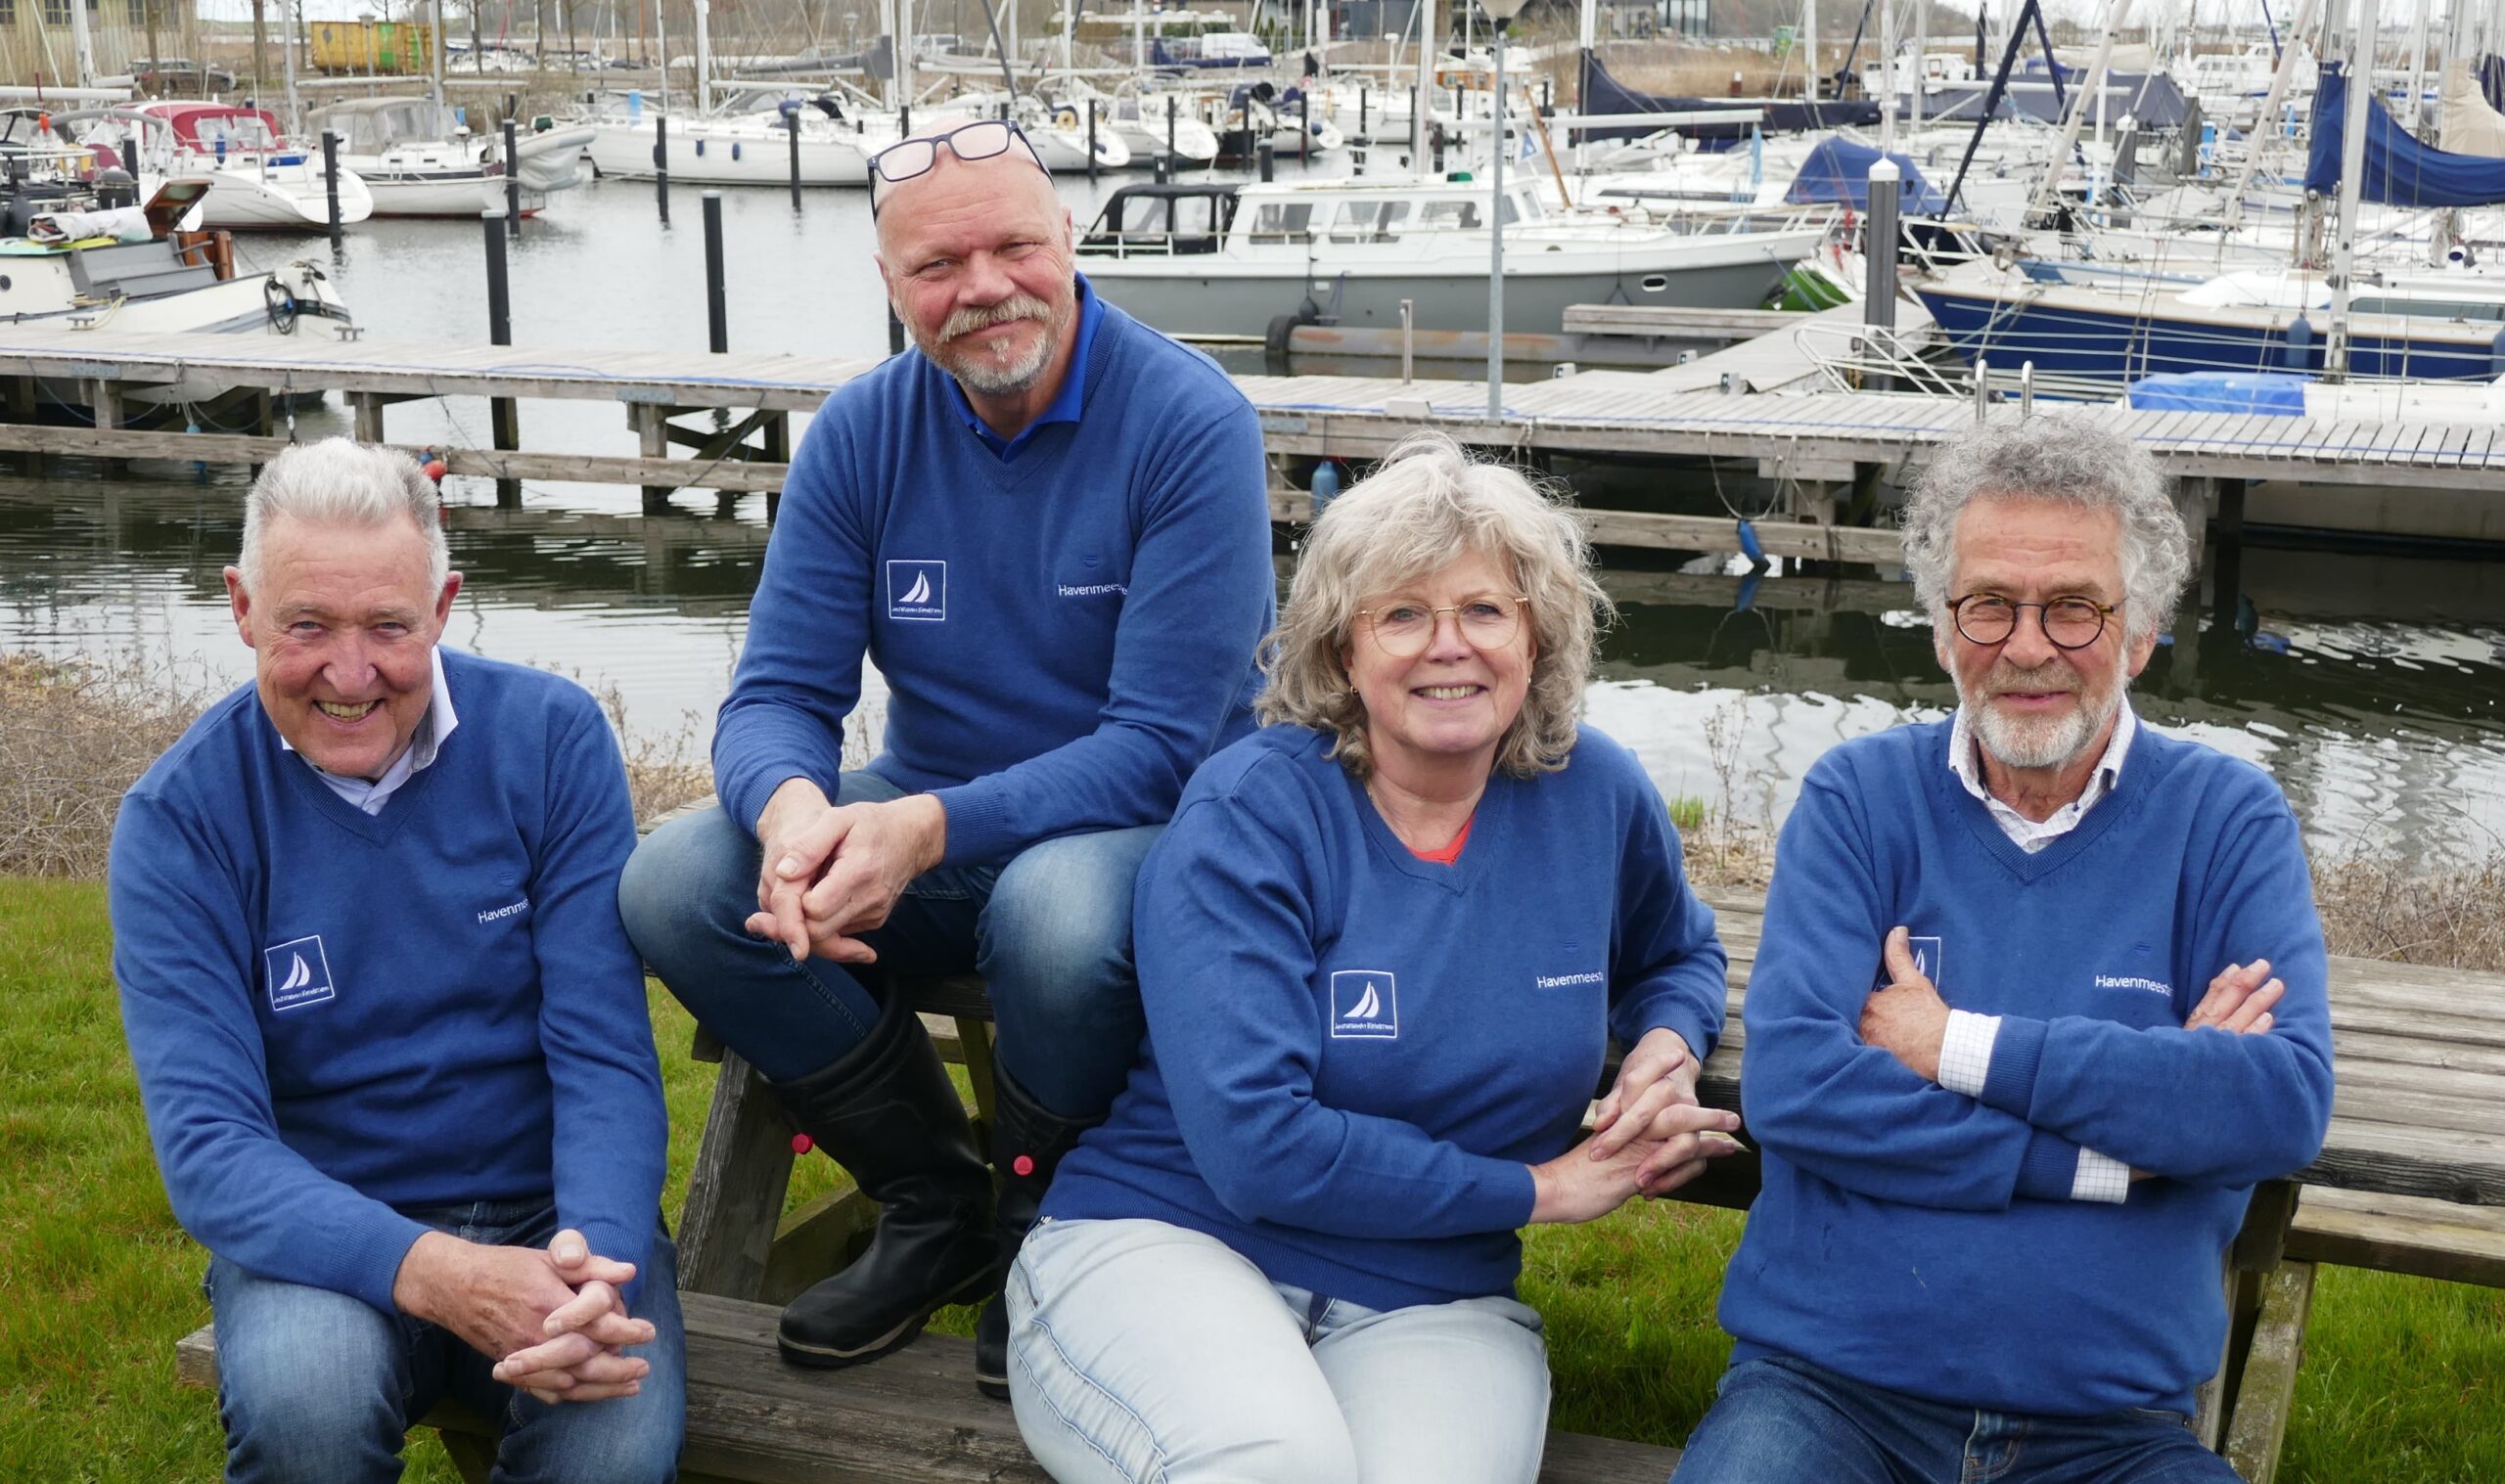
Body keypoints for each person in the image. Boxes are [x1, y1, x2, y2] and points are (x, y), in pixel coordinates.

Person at [617, 117, 1274, 1398]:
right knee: (678, 879)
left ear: (1067, 238)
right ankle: (935, 1198)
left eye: (1013, 246)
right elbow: (777, 694)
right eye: (937, 265)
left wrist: (918, 831)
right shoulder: (861, 432)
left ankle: (1049, 1229)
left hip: (1152, 833)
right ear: (890, 281)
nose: (983, 287)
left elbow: (1156, 750)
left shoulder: (1190, 421)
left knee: (1051, 910)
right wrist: (796, 818)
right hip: (938, 820)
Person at [1006, 435, 1743, 1484]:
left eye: (1484, 610)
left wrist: (1668, 1043)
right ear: (1342, 651)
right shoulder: (1254, 811)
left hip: (1436, 1295)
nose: (1450, 645)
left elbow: (1678, 948)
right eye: (1402, 614)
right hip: (1173, 1238)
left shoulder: (1595, 794)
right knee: (1271, 1465)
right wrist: (1539, 1187)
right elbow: (1257, 1146)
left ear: (1536, 636)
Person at [1671, 412, 2337, 1483]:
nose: (2028, 646)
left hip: (2111, 1431)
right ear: (1943, 628)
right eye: (1990, 603)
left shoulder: (2227, 821)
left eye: (2074, 606)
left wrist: (1954, 1045)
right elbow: (1796, 1085)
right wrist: (2117, 1148)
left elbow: (2274, 1102)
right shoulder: (1857, 801)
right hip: (1830, 1393)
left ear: (2140, 632)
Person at [109, 439, 683, 1484]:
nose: (349, 672)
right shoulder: (179, 819)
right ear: (242, 608)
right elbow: (210, 1144)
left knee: (614, 1444)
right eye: (307, 626)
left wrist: (596, 1262)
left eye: (387, 625)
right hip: (320, 1231)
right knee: (307, 1410)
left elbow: (604, 1055)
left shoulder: (551, 740)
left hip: (548, 1215)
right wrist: (435, 1270)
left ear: (443, 607)